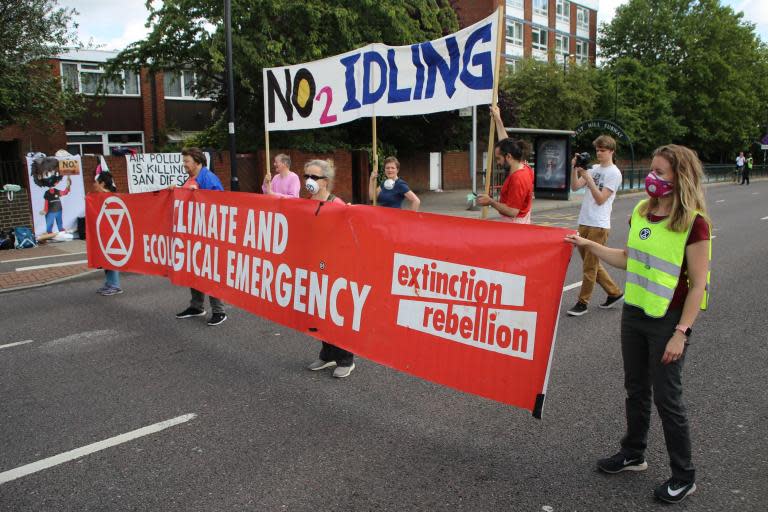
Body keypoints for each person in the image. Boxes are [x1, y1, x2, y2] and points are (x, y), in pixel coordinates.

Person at [565, 144, 711, 504]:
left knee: (667, 398)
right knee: (635, 389)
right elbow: (628, 258)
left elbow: (698, 286)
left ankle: (684, 475)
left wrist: (682, 333)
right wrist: (587, 244)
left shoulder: (694, 223)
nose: (652, 177)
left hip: (668, 321)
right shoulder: (644, 211)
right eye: (652, 169)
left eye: (660, 172)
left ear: (681, 177)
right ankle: (634, 453)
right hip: (635, 314)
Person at [302, 159, 356, 378]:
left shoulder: (337, 204)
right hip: (314, 262)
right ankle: (327, 354)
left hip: (332, 264)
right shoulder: (305, 203)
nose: (309, 181)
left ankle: (346, 358)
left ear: (325, 181)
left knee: (334, 312)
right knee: (318, 311)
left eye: (314, 177)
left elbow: (349, 236)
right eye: (306, 176)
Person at [566, 135, 624, 316]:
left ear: (611, 152)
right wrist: (574, 168)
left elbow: (600, 199)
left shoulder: (614, 173)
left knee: (589, 267)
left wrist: (589, 179)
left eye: (603, 150)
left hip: (598, 225)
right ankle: (614, 293)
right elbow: (575, 187)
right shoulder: (594, 168)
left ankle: (582, 303)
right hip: (584, 221)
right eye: (597, 150)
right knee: (591, 263)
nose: (599, 153)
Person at [174, 147, 228, 326]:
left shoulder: (208, 178)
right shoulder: (191, 179)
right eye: (184, 161)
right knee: (194, 268)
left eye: (187, 161)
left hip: (208, 233)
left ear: (197, 162)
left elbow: (219, 203)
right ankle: (196, 306)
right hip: (193, 233)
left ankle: (219, 311)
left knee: (210, 270)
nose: (184, 165)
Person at [93, 169, 122, 296]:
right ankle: (109, 283)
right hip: (104, 233)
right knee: (105, 259)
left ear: (102, 184)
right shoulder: (102, 197)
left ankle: (115, 285)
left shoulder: (110, 197)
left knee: (111, 258)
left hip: (112, 233)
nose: (94, 185)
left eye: (96, 183)